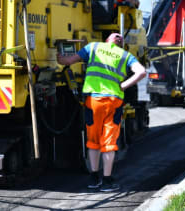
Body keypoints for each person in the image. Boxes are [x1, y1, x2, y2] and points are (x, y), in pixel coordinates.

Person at [57, 33, 146, 192]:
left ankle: (93, 178)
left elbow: (67, 61)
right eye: (118, 36)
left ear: (107, 40)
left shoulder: (93, 47)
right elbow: (141, 72)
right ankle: (106, 181)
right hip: (113, 102)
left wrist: (58, 57)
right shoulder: (125, 55)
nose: (118, 36)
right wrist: (124, 85)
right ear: (120, 43)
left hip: (93, 101)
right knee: (109, 143)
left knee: (93, 141)